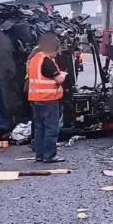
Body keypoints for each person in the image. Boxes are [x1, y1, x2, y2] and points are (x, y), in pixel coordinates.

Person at [27, 33, 67, 163]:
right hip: (48, 100)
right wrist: (64, 75)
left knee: (40, 129)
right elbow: (59, 79)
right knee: (51, 128)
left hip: (35, 100)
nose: (57, 53)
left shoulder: (34, 59)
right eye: (56, 50)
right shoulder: (47, 62)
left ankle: (40, 155)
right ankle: (50, 156)